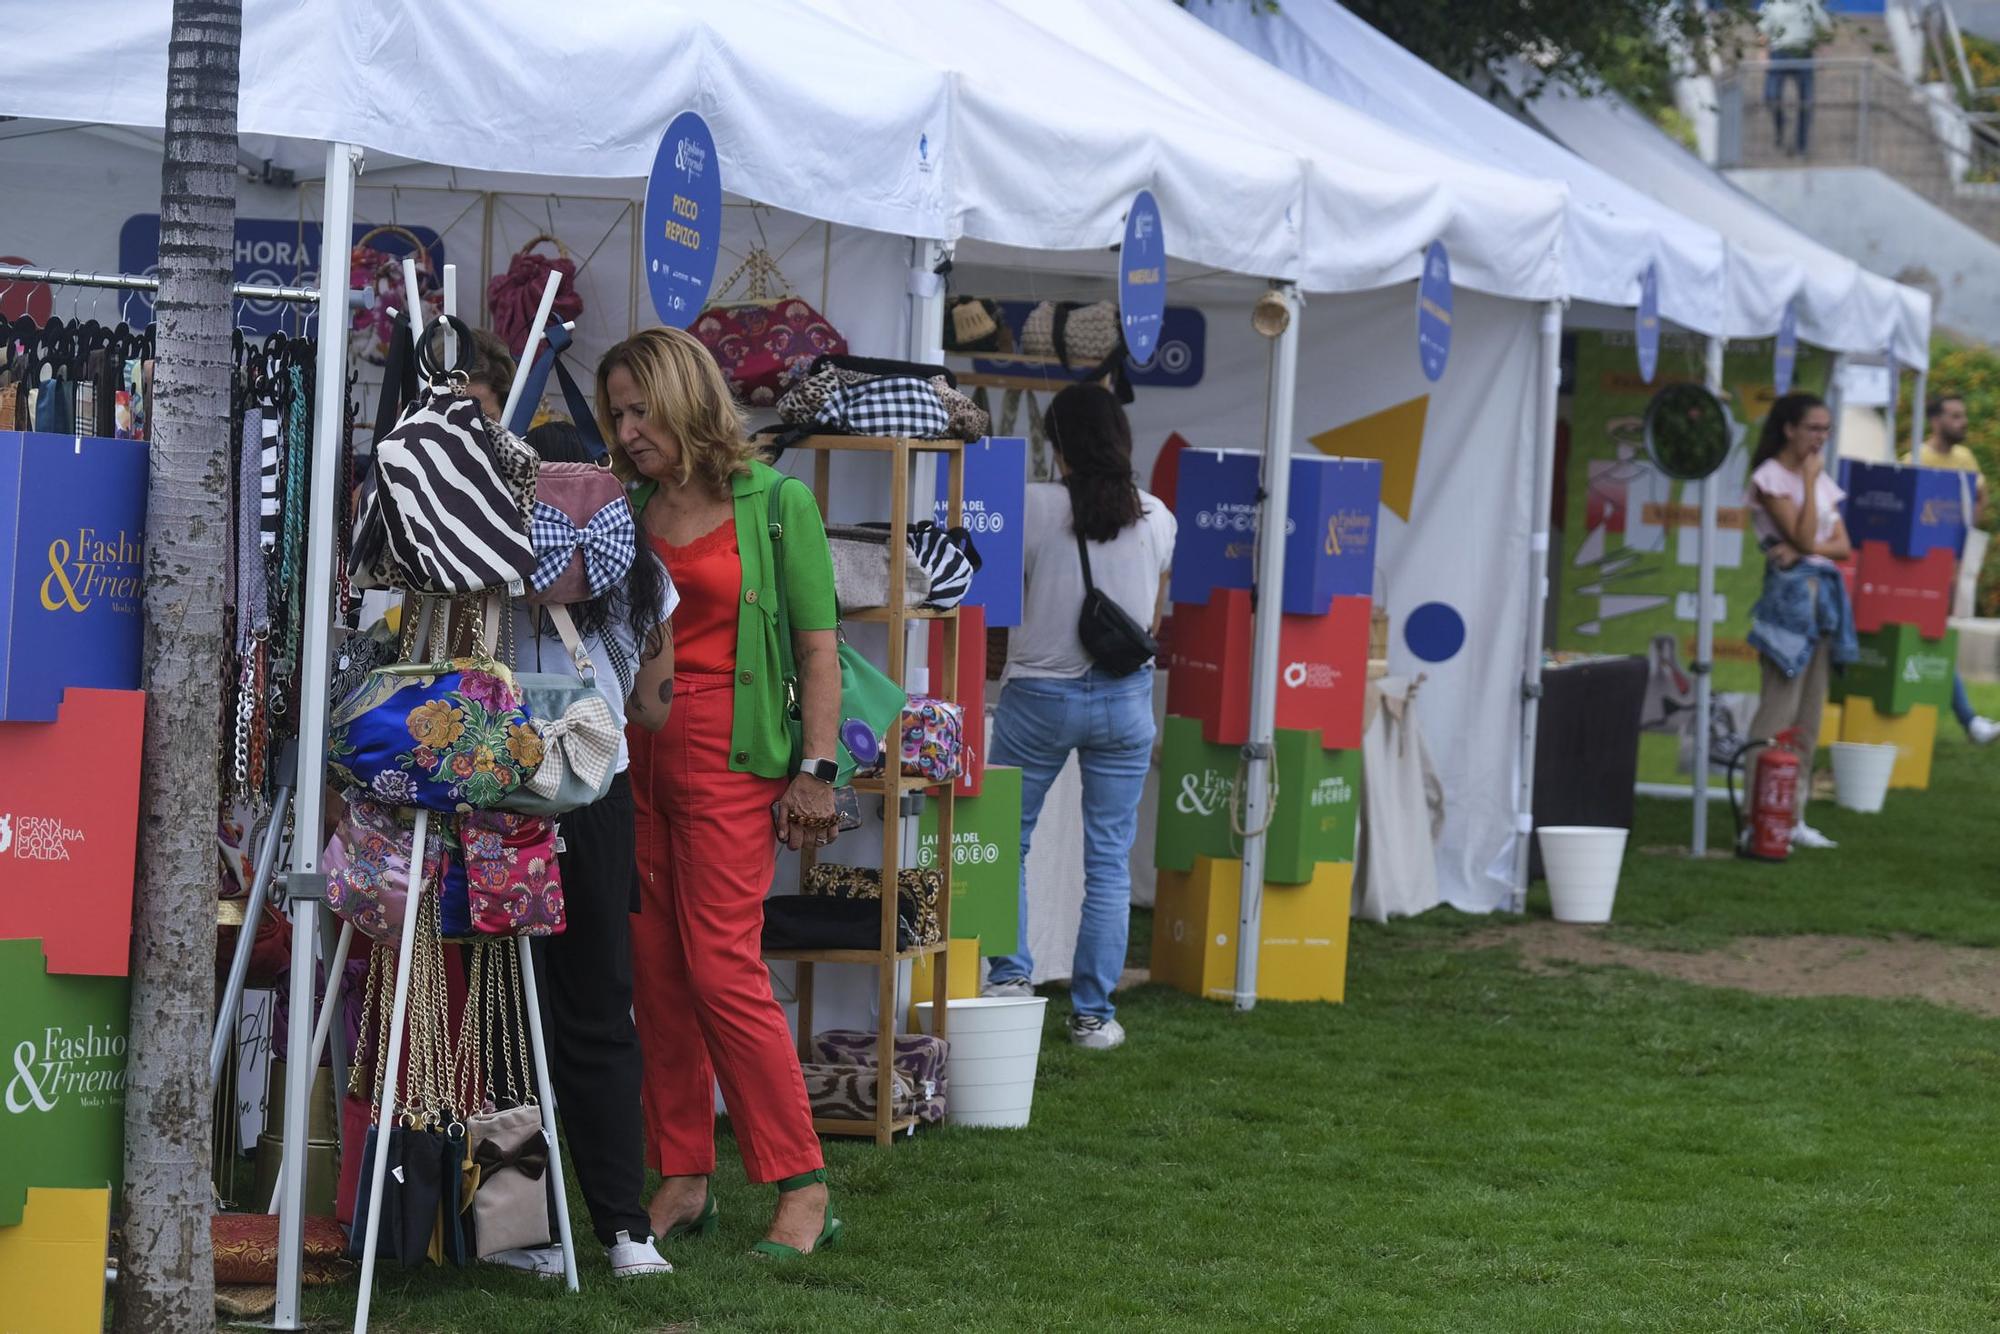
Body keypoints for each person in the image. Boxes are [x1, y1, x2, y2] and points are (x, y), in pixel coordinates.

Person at [600, 327, 843, 1259]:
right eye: (616, 413)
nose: (626, 430)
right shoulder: (625, 506)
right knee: (652, 970)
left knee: (721, 969)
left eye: (639, 409)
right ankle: (684, 1173)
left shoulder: (777, 503)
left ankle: (801, 1179)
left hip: (733, 757)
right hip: (633, 752)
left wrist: (815, 772)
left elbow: (820, 650)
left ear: (685, 399)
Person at [476, 421, 679, 1279]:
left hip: (497, 807)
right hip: (595, 802)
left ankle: (519, 1230)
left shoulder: (485, 556)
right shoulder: (640, 569)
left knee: (504, 1018)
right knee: (601, 1014)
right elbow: (656, 708)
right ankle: (625, 1230)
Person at [980, 384, 1174, 1051]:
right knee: (1109, 862)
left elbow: (996, 594)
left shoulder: (1032, 505)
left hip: (1039, 696)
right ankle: (1093, 1015)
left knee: (1008, 841)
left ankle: (1009, 982)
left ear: (1054, 443)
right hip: (1125, 700)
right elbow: (1149, 618)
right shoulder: (1158, 515)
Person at [1745, 392, 1855, 850]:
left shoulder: (1823, 479)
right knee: (1778, 711)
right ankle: (1758, 815)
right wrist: (1808, 486)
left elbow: (1842, 545)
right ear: (1789, 428)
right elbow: (1807, 534)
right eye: (1813, 428)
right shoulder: (1772, 477)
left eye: (1826, 429)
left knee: (1809, 713)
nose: (1821, 438)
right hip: (1790, 603)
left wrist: (1807, 547)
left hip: (1822, 601)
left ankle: (1793, 814)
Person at [1904, 395, 1998, 745]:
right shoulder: (1916, 460)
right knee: (1931, 639)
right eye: (1955, 416)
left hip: (1948, 567)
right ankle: (1968, 720)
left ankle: (1963, 719)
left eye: (1964, 416)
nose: (1963, 422)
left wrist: (1962, 542)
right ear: (1934, 420)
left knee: (1934, 638)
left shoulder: (1964, 459)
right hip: (1918, 572)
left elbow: (1980, 496)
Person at [1760, 0, 1828, 156]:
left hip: (1803, 53)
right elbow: (1763, 30)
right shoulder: (1773, 4)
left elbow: (1823, 27)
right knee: (1771, 96)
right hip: (1778, 53)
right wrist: (1763, 52)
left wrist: (1823, 52)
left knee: (1807, 101)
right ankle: (1781, 127)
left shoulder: (1811, 3)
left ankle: (1801, 145)